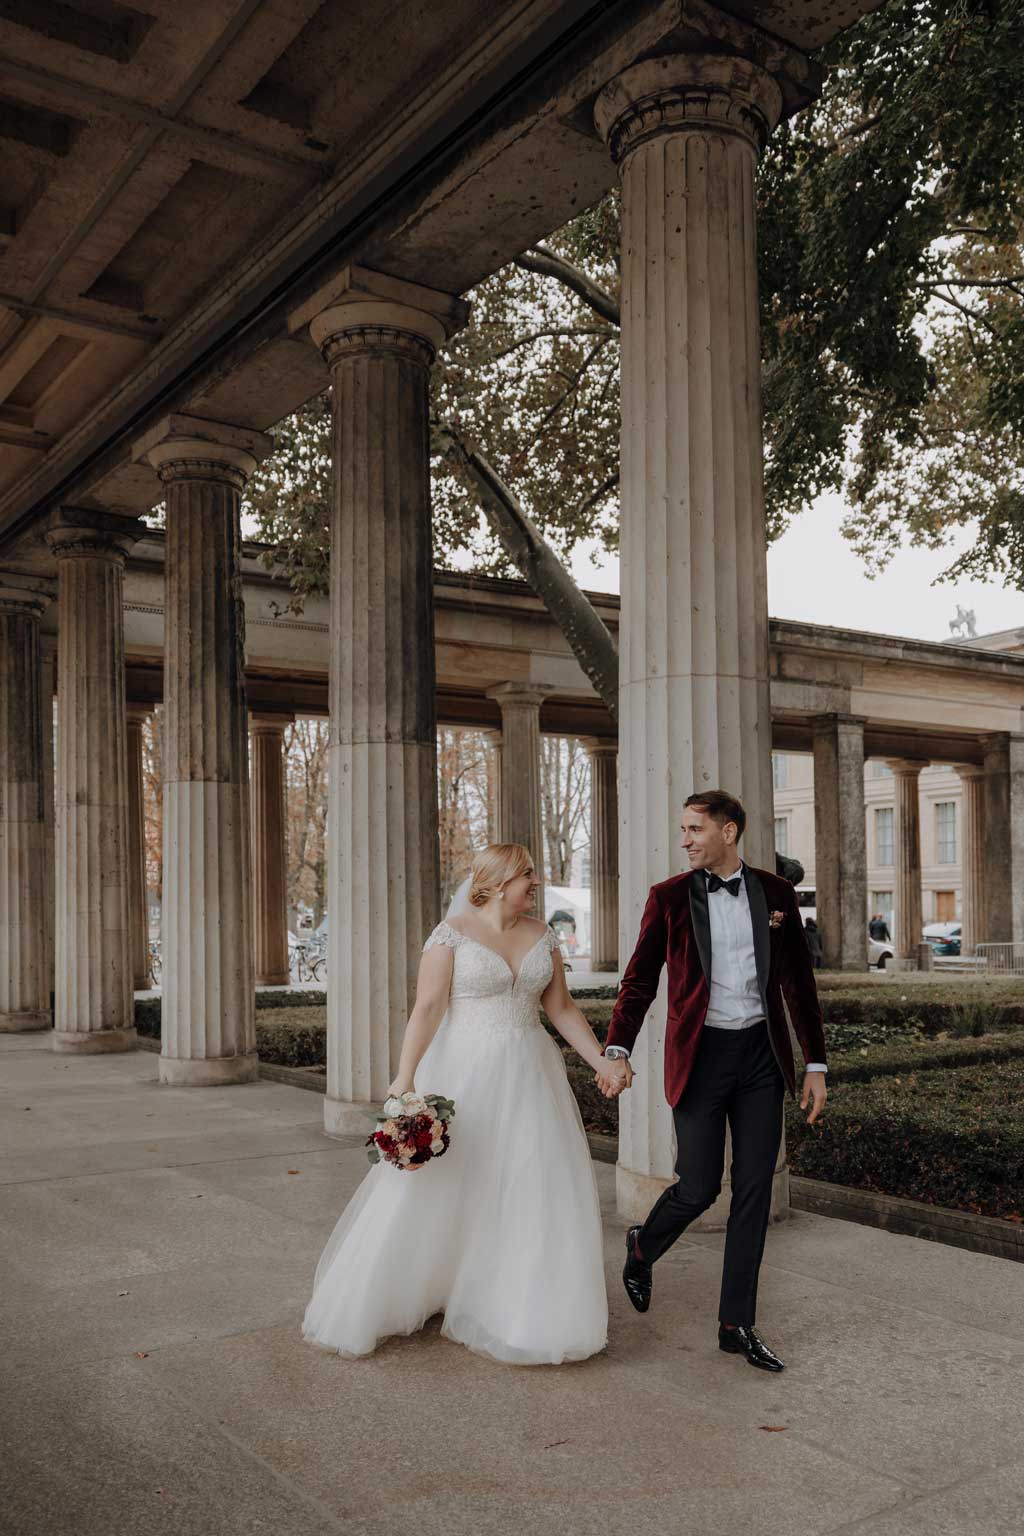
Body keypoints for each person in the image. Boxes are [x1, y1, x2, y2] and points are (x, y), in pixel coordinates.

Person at [303, 842, 625, 1365]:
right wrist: (404, 1077)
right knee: (448, 1183)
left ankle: (517, 1302)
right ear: (499, 882)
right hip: (464, 1074)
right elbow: (428, 1008)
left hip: (530, 1073)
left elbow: (561, 1008)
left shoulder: (543, 935)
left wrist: (600, 1062)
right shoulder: (451, 935)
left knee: (528, 1181)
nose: (535, 885)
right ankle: (414, 1285)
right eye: (528, 876)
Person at [598, 790, 828, 1373]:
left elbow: (799, 985)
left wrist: (816, 1064)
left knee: (753, 1191)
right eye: (683, 830)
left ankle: (736, 1324)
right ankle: (642, 1247)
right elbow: (639, 980)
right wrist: (617, 1048)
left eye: (695, 829)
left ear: (729, 831)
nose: (685, 840)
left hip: (760, 1058)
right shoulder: (669, 898)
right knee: (699, 1187)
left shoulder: (776, 895)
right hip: (700, 1058)